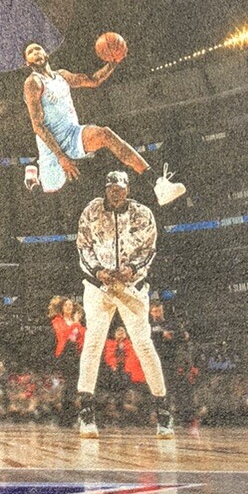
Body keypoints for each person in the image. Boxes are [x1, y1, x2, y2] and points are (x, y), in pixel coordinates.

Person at [20, 41, 185, 205]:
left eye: (38, 49)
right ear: (27, 62)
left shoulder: (62, 75)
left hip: (73, 133)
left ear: (46, 54)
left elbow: (93, 80)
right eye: (30, 52)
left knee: (105, 134)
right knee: (46, 195)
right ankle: (32, 177)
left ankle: (158, 183)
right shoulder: (33, 83)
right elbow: (37, 126)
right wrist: (61, 157)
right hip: (51, 146)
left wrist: (113, 63)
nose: (35, 52)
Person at [74, 169, 174, 438]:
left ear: (127, 189)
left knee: (144, 345)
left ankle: (163, 413)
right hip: (100, 287)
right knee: (93, 343)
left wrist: (133, 268)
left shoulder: (142, 214)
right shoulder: (92, 211)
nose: (115, 193)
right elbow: (83, 247)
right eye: (111, 189)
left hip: (131, 286)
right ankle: (86, 414)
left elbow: (149, 250)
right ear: (106, 190)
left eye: (119, 188)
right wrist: (97, 271)